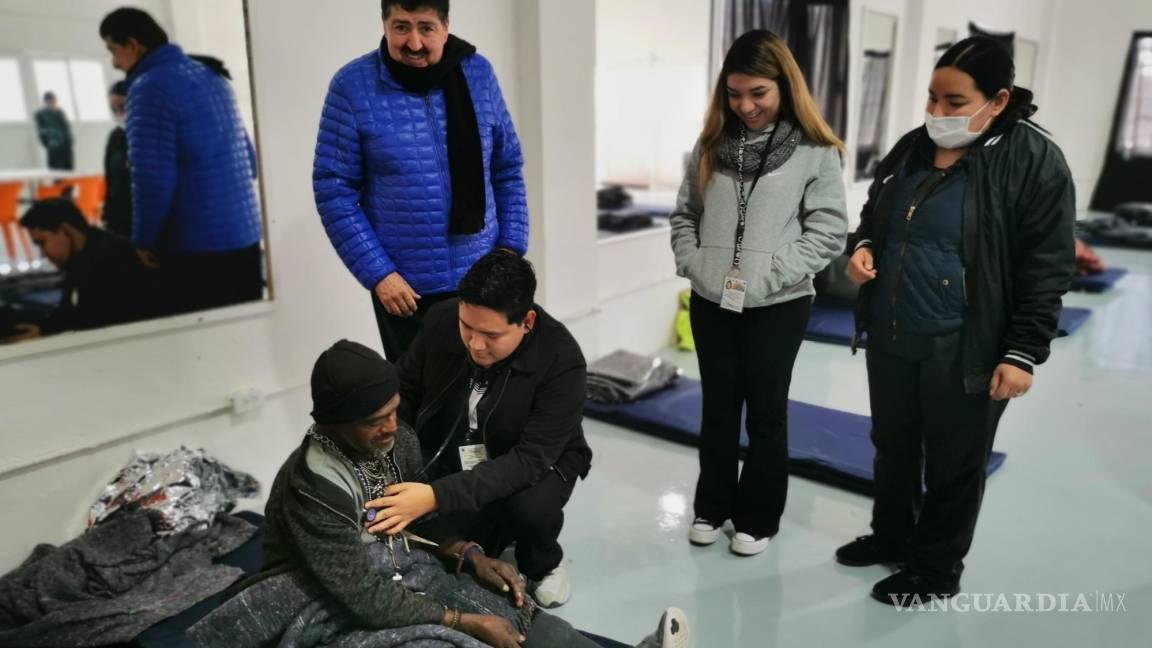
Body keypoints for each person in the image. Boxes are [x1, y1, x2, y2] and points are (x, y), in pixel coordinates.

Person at [190, 339, 689, 648]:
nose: (391, 427)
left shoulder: (398, 441)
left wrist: (470, 555)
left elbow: (419, 525)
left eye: (394, 410)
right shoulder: (312, 487)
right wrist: (463, 621)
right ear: (333, 423)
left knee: (519, 616)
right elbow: (361, 596)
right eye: (374, 420)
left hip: (402, 571)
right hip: (321, 600)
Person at [835, 36, 1076, 605]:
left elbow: (1048, 264)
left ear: (998, 99)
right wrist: (863, 245)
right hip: (893, 331)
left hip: (967, 343)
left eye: (954, 101)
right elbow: (875, 214)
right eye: (932, 98)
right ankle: (893, 536)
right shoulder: (913, 147)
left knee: (954, 462)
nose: (937, 112)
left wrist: (1022, 352)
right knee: (893, 446)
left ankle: (936, 569)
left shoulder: (1034, 160)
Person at [669, 30, 848, 556]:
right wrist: (696, 266)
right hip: (712, 301)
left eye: (758, 93)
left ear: (784, 86)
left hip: (780, 305)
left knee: (766, 413)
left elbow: (828, 232)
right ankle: (712, 506)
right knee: (718, 408)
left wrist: (768, 278)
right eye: (734, 93)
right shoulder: (708, 147)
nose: (745, 105)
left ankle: (759, 516)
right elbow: (685, 216)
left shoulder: (816, 151)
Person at [362, 251, 590, 609]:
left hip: (537, 459)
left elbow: (529, 460)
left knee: (530, 509)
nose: (475, 344)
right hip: (462, 447)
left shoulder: (563, 360)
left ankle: (543, 563)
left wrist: (435, 496)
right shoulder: (441, 319)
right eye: (467, 327)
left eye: (490, 334)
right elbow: (404, 390)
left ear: (527, 322)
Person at [313, 0, 529, 361]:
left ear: (445, 26)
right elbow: (333, 190)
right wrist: (379, 274)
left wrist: (509, 251)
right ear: (384, 25)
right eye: (401, 26)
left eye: (426, 27)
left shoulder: (478, 73)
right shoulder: (351, 86)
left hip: (484, 279)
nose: (414, 43)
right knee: (420, 393)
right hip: (406, 293)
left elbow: (506, 168)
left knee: (491, 390)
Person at [99, 7, 263, 315]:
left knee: (200, 338)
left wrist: (144, 239)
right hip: (246, 239)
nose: (114, 62)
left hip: (195, 249)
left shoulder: (148, 88)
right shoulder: (214, 77)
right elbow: (250, 162)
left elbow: (152, 179)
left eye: (112, 50)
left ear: (133, 45)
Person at [3, 199, 158, 342]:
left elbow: (95, 321)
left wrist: (46, 331)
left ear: (65, 230)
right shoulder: (83, 256)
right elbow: (72, 313)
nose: (43, 253)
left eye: (42, 242)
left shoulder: (109, 259)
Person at [102, 81, 132, 238]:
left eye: (123, 107)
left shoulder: (153, 135)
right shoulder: (115, 137)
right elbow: (110, 179)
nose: (119, 114)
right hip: (120, 220)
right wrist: (107, 216)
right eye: (114, 109)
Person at [34, 92, 74, 171]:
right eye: (51, 100)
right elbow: (41, 131)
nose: (54, 102)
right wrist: (48, 143)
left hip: (66, 146)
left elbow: (66, 127)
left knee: (69, 169)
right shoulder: (40, 114)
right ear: (46, 101)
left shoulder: (60, 112)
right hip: (53, 147)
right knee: (56, 170)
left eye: (54, 100)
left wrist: (70, 141)